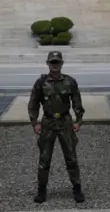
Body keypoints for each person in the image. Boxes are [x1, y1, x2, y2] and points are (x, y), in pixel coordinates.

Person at [28, 50, 85, 204]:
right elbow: (33, 103)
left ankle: (77, 188)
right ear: (47, 63)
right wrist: (35, 123)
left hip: (65, 122)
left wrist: (78, 121)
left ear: (61, 63)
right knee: (44, 159)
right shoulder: (41, 83)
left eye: (57, 62)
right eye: (52, 62)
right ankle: (41, 190)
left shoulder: (70, 81)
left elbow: (77, 102)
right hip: (48, 123)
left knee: (71, 157)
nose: (55, 65)